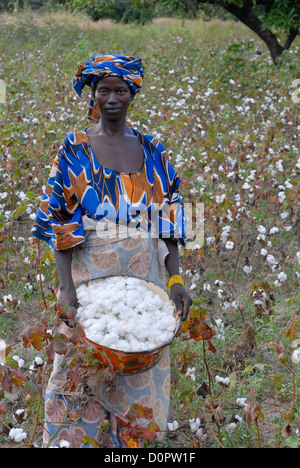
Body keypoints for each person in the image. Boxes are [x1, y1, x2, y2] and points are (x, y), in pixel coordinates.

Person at [31, 54, 192, 448]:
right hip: (91, 287)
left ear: (132, 94)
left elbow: (171, 223)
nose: (113, 98)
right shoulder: (75, 148)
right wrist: (66, 289)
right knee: (77, 372)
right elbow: (60, 220)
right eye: (105, 90)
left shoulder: (155, 150)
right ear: (94, 94)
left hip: (145, 291)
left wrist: (174, 280)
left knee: (140, 372)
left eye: (121, 90)